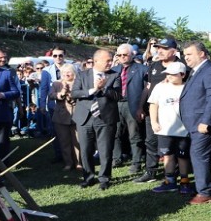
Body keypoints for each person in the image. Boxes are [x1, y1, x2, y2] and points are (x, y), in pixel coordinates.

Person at [179, 41, 211, 205]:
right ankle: (205, 188)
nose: (186, 58)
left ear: (202, 54)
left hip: (203, 124)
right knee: (198, 155)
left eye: (189, 54)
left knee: (198, 156)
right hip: (194, 123)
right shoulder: (196, 71)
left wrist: (206, 121)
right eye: (185, 55)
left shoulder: (210, 70)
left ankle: (205, 193)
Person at [71, 49, 120, 191]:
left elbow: (117, 96)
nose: (111, 63)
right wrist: (93, 90)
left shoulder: (114, 75)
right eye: (108, 60)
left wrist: (103, 88)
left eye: (111, 60)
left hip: (105, 118)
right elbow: (75, 93)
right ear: (97, 60)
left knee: (105, 150)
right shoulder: (82, 75)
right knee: (85, 150)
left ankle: (104, 178)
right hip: (85, 118)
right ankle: (88, 177)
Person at [136, 37, 183, 183]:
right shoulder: (154, 65)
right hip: (154, 111)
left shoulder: (181, 67)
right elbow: (148, 87)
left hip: (173, 114)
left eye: (163, 48)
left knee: (174, 144)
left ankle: (173, 173)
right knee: (150, 141)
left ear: (173, 51)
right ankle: (150, 171)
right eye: (158, 48)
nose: (159, 50)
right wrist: (141, 107)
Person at [147, 62, 193, 194]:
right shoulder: (160, 87)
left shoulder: (188, 87)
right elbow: (153, 105)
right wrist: (154, 122)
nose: (170, 76)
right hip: (165, 129)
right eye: (168, 73)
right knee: (167, 155)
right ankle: (170, 180)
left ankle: (184, 181)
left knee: (183, 156)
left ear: (182, 75)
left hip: (184, 130)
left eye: (173, 74)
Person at [111, 44, 147, 173]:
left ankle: (136, 162)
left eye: (125, 54)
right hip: (116, 104)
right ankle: (116, 158)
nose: (122, 57)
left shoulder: (142, 69)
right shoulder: (113, 70)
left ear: (132, 54)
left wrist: (141, 108)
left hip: (133, 105)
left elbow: (145, 91)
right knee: (115, 133)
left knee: (134, 135)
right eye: (119, 55)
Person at [48, 63, 80, 171]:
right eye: (63, 72)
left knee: (78, 141)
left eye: (68, 72)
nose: (66, 74)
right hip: (61, 117)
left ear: (74, 73)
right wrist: (61, 94)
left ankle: (79, 163)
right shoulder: (57, 84)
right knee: (64, 141)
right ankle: (68, 163)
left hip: (77, 115)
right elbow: (51, 96)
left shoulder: (79, 82)